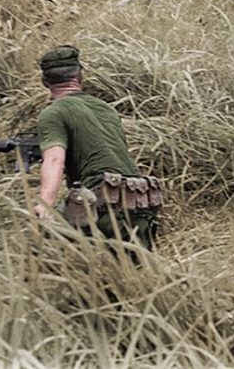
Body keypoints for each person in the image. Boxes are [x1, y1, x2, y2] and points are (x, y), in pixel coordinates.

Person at [34, 45, 160, 252]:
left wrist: (45, 204)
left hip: (101, 205)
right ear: (81, 75)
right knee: (133, 277)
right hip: (140, 202)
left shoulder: (53, 113)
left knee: (43, 250)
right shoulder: (107, 109)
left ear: (45, 82)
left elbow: (55, 160)